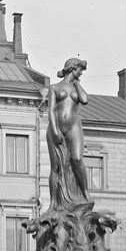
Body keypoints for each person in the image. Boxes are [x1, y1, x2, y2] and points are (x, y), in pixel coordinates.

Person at [46, 57, 91, 210]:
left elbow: (84, 100)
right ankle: (53, 202)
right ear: (73, 68)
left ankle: (85, 193)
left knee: (77, 159)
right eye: (80, 70)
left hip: (73, 127)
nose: (81, 73)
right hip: (57, 127)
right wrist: (54, 129)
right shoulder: (54, 87)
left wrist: (76, 82)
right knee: (56, 167)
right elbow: (51, 109)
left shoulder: (76, 87)